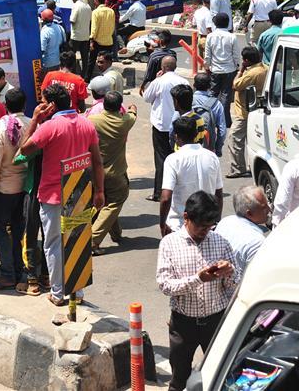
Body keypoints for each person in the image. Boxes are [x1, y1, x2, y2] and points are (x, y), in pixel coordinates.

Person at [18, 83, 105, 306]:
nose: (41, 106)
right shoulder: (86, 124)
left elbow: (24, 150)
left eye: (44, 103)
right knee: (78, 241)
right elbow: (97, 161)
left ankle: (57, 294)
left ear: (52, 105)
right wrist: (99, 191)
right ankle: (78, 292)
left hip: (52, 196)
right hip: (80, 194)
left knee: (54, 244)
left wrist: (35, 119)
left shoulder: (49, 127)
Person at [156, 191, 237, 391]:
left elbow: (234, 285)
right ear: (186, 217)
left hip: (216, 322)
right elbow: (165, 285)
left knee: (221, 374)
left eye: (210, 226)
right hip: (183, 325)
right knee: (179, 378)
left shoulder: (220, 242)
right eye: (201, 226)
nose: (205, 231)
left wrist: (229, 272)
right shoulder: (169, 244)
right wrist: (198, 279)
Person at [0, 88, 29, 291]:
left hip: (4, 188)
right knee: (18, 230)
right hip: (24, 187)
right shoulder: (31, 124)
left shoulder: (0, 127)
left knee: (0, 229)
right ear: (24, 105)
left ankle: (8, 274)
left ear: (5, 105)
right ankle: (18, 271)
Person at [89, 91, 136, 254]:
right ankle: (93, 240)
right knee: (114, 203)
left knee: (108, 202)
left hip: (95, 172)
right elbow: (133, 114)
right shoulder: (125, 121)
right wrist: (132, 108)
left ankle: (116, 234)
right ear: (119, 106)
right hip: (115, 173)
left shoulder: (92, 120)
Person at [160, 116, 223, 236]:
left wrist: (162, 224)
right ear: (196, 134)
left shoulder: (173, 160)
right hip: (207, 226)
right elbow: (218, 193)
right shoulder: (212, 157)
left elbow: (166, 198)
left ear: (176, 136)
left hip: (179, 226)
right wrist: (215, 221)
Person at [143, 55, 189, 204]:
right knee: (179, 157)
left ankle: (159, 192)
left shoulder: (159, 82)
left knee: (161, 159)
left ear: (162, 68)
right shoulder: (184, 81)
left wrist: (156, 79)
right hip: (180, 125)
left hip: (161, 126)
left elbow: (146, 97)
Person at [226, 46, 268, 178]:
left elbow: (236, 85)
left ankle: (238, 168)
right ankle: (251, 166)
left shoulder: (251, 73)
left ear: (247, 60)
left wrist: (240, 71)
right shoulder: (266, 68)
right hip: (257, 109)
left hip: (244, 112)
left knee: (235, 138)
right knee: (252, 140)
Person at [214, 185, 269, 278]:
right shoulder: (257, 242)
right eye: (264, 208)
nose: (269, 209)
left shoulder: (225, 222)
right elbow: (257, 277)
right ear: (249, 213)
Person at [205, 12, 240, 127]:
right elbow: (236, 55)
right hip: (229, 70)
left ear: (215, 23)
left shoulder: (210, 36)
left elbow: (207, 55)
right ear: (228, 23)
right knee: (226, 95)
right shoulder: (232, 37)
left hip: (215, 70)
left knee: (212, 94)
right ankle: (225, 121)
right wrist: (237, 67)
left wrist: (207, 67)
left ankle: (211, 119)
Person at [190, 73, 226, 156]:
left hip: (188, 146)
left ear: (194, 85)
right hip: (208, 147)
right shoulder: (216, 104)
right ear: (209, 86)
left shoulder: (188, 100)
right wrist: (218, 148)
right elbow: (222, 130)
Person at [140, 29, 176, 94]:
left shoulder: (154, 55)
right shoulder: (173, 54)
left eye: (157, 39)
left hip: (156, 84)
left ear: (161, 41)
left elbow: (148, 74)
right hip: (170, 83)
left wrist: (142, 85)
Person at [69, 0, 93, 80]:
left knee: (71, 56)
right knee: (85, 57)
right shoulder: (87, 6)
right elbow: (90, 20)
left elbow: (72, 20)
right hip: (85, 36)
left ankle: (73, 75)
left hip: (76, 36)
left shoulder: (76, 5)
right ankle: (84, 76)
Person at [89, 0, 116, 72]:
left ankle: (87, 78)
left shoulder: (95, 12)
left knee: (91, 61)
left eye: (94, 1)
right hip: (108, 41)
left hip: (97, 42)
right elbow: (113, 26)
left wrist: (91, 40)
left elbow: (94, 28)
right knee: (107, 62)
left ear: (97, 1)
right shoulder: (111, 11)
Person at [39, 8, 66, 73]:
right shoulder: (60, 27)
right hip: (59, 62)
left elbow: (42, 49)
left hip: (47, 63)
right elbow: (64, 41)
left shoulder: (44, 31)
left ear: (43, 20)